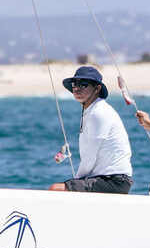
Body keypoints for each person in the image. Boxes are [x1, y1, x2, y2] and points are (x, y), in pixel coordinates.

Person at [47, 65, 132, 193]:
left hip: (114, 181)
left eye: (83, 84)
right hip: (104, 178)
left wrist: (75, 181)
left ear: (97, 89)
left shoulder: (99, 112)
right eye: (75, 84)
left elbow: (89, 158)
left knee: (55, 189)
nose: (77, 88)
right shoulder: (90, 111)